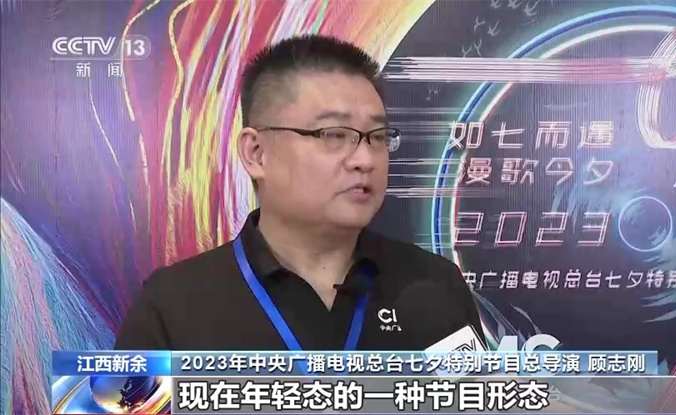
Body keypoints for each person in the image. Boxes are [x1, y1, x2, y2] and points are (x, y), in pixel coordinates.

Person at [115, 34, 483, 351]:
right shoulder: (173, 304)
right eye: (334, 135)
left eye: (377, 136)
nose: (365, 159)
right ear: (256, 153)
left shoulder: (435, 285)